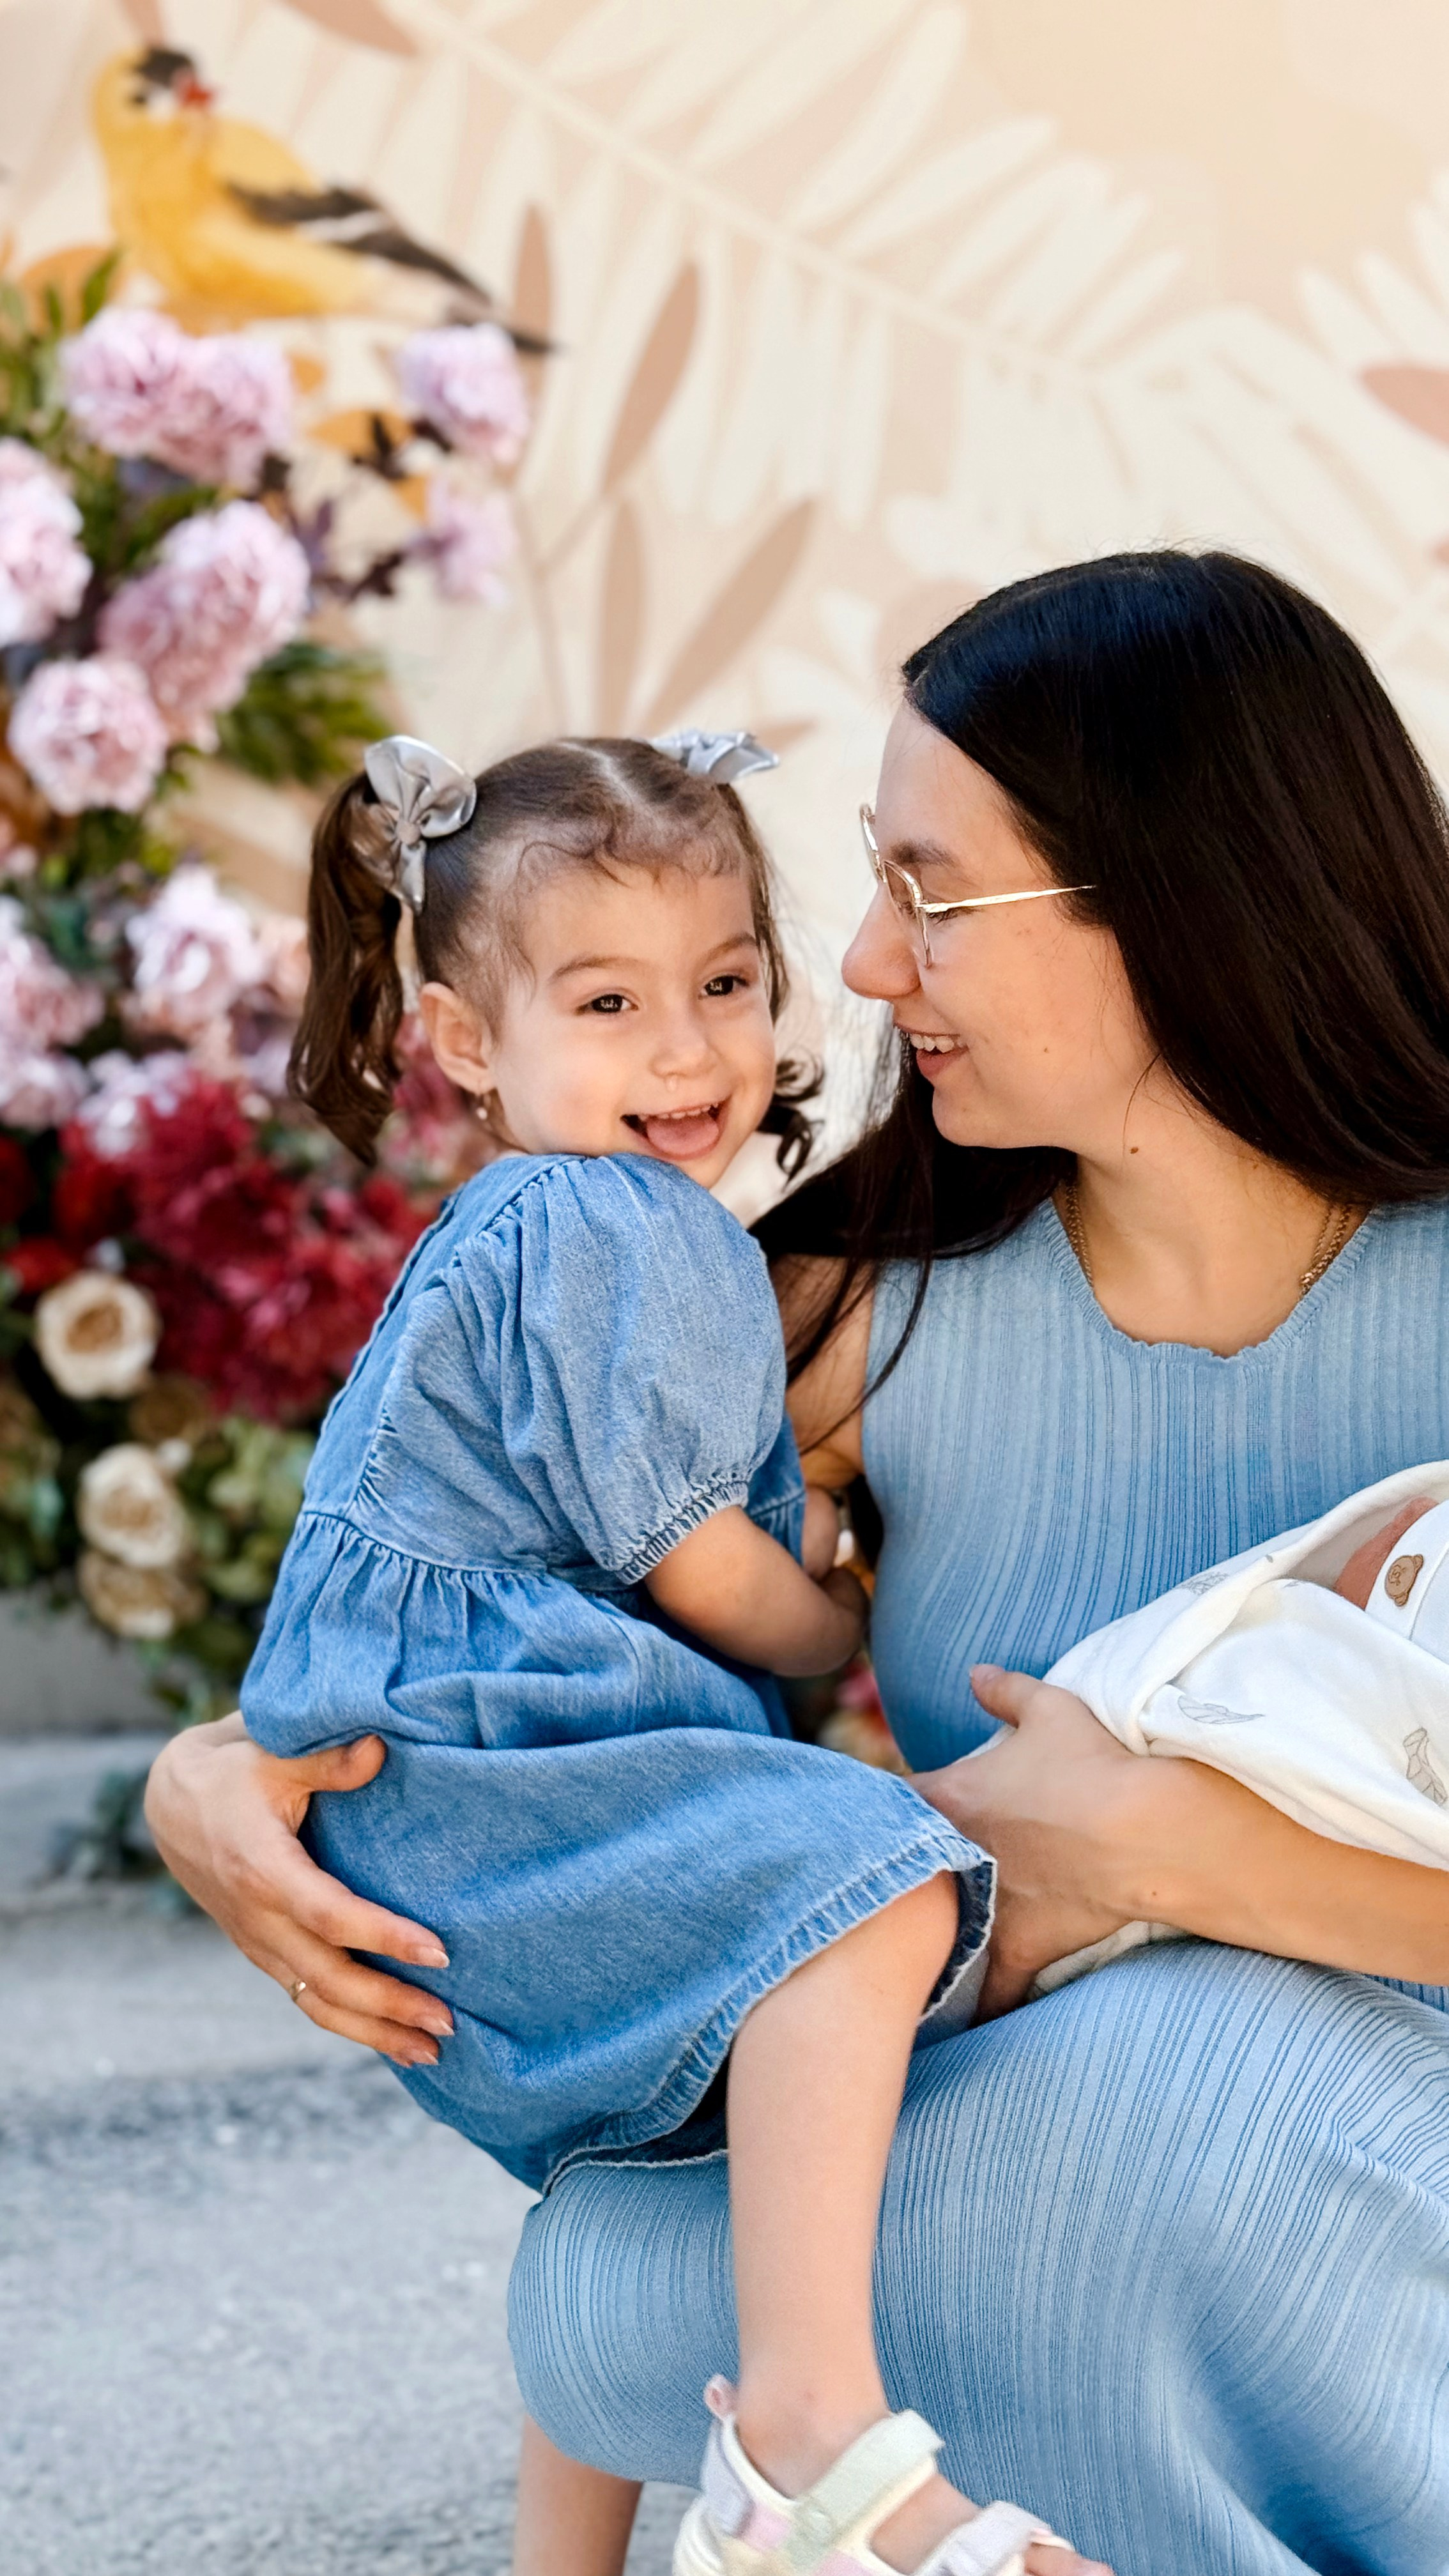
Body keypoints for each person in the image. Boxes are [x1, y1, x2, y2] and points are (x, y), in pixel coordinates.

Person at [146, 552, 1449, 2572]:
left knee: (1164, 2123)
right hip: (979, 2122)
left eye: (927, 891)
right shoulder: (858, 1304)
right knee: (616, 2270)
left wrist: (1158, 1854)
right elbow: (487, 1553)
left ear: (1176, 893)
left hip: (1334, 2137)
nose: (853, 968)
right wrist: (209, 1774)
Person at [239, 724, 1093, 2576]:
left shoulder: (609, 1223)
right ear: (472, 1045)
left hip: (455, 1768)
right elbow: (691, 1565)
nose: (690, 1049)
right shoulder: (601, 1218)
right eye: (610, 1002)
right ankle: (807, 2428)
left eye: (723, 981)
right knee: (862, 1892)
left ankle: (571, 2559)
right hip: (479, 1757)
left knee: (658, 2132)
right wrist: (845, 1614)